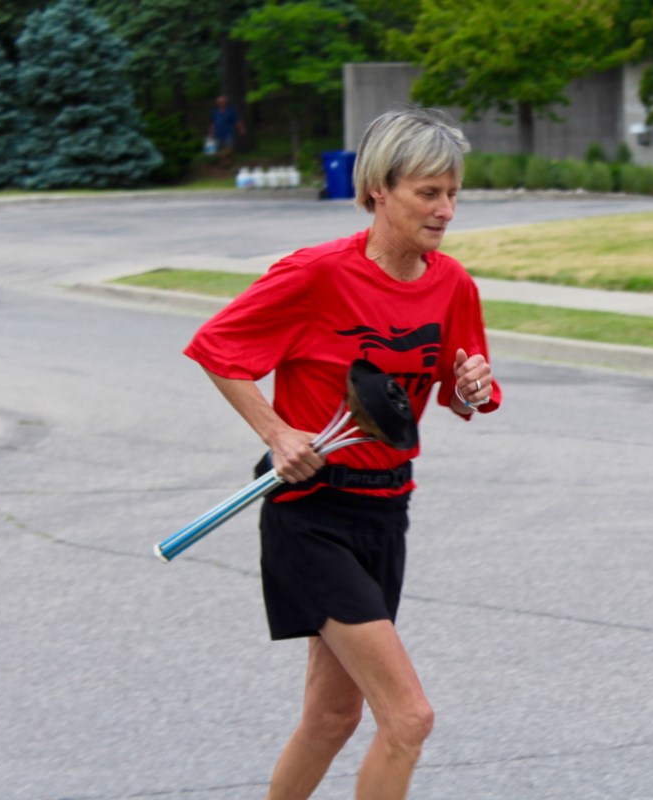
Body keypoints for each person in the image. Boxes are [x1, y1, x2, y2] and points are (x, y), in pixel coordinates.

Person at [183, 107, 501, 800]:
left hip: (387, 511)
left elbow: (461, 386)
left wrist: (472, 385)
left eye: (453, 193)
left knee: (331, 716)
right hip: (312, 511)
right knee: (409, 718)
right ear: (379, 189)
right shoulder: (316, 275)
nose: (446, 209)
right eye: (428, 192)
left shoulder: (453, 285)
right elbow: (218, 349)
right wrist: (277, 432)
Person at [208, 94, 245, 163]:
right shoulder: (215, 111)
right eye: (218, 102)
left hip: (228, 132)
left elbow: (237, 121)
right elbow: (213, 123)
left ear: (226, 102)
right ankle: (222, 160)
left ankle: (228, 160)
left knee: (230, 148)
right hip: (217, 133)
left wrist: (241, 129)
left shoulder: (230, 111)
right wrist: (211, 132)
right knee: (214, 149)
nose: (220, 103)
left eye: (222, 102)